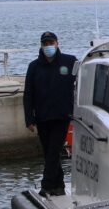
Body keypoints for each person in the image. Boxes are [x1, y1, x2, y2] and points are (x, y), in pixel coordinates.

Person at [24, 31, 77, 196]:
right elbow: (28, 94)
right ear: (41, 45)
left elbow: (82, 81)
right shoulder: (34, 67)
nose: (48, 46)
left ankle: (46, 185)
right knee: (48, 153)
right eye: (45, 44)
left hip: (62, 116)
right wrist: (29, 119)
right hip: (42, 117)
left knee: (54, 150)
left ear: (57, 43)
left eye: (51, 43)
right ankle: (58, 185)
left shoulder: (70, 61)